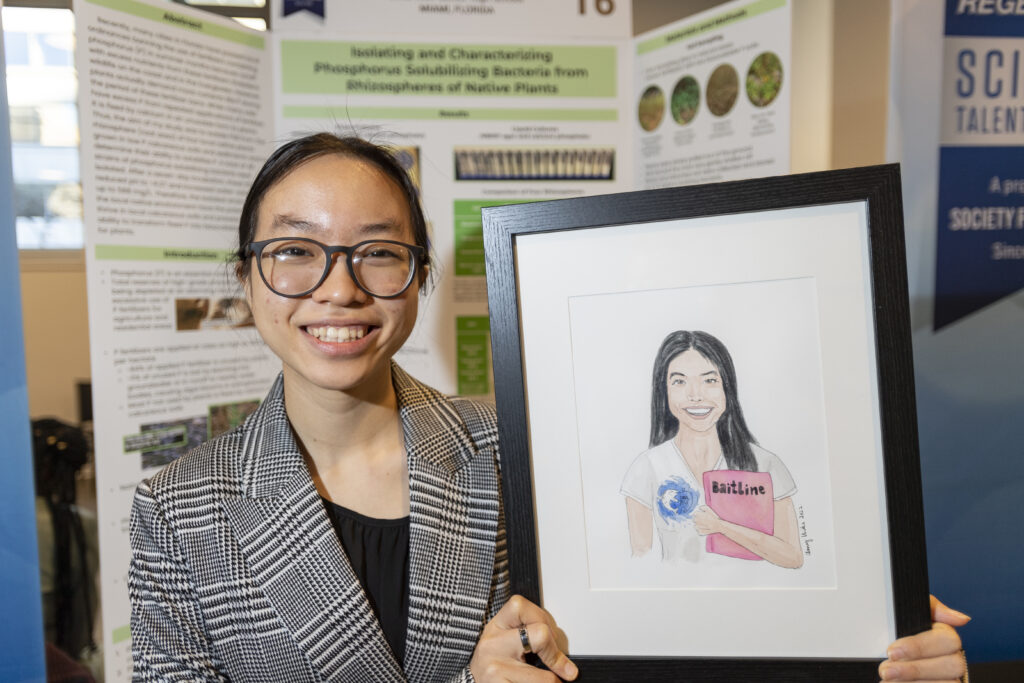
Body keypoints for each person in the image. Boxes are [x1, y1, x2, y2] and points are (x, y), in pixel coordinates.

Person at [128, 133, 968, 682]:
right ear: (246, 277)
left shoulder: (519, 442)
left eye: (377, 252)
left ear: (418, 275)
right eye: (294, 252)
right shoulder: (176, 509)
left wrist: (862, 638)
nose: (338, 288)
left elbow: (669, 625)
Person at [621, 330, 802, 567]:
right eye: (679, 381)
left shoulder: (765, 464)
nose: (696, 395)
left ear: (728, 388)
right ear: (663, 392)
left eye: (710, 380)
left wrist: (721, 527)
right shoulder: (647, 467)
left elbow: (793, 557)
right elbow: (638, 562)